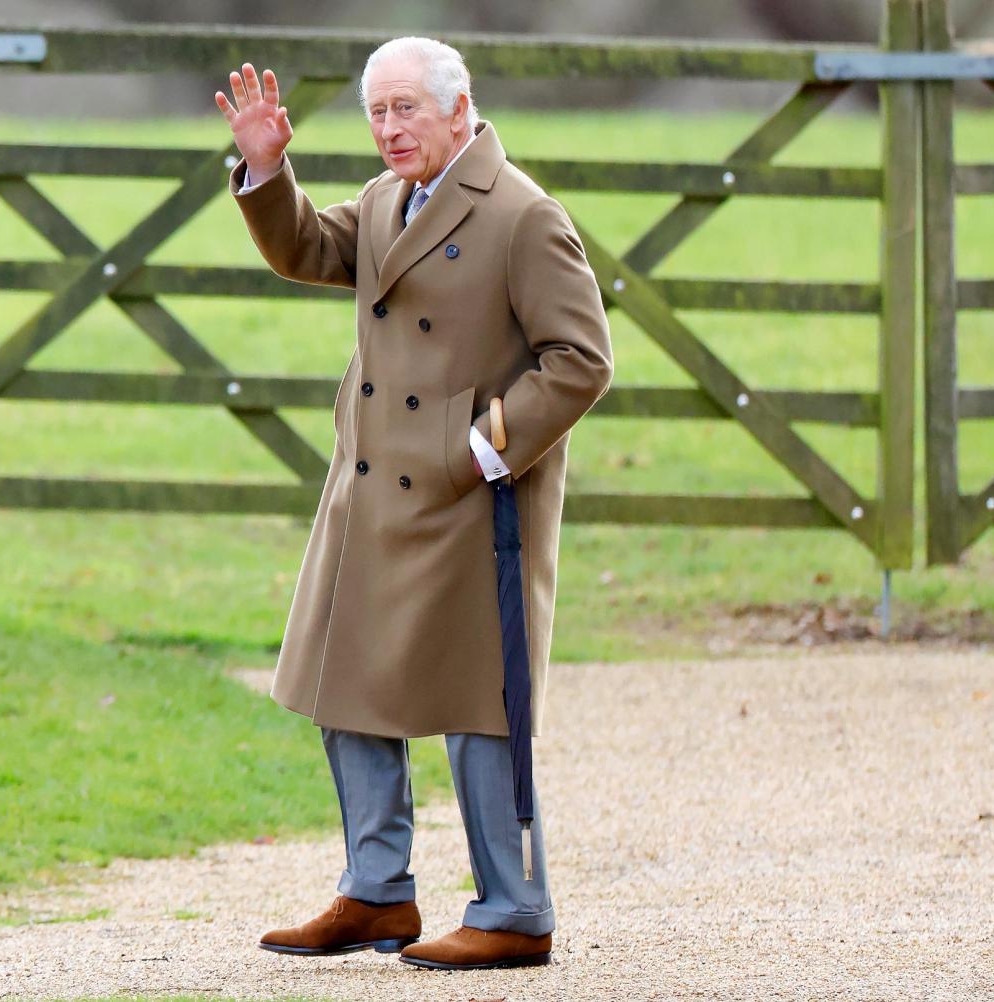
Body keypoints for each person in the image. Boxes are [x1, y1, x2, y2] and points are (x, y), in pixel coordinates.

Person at [214, 36, 613, 971]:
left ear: (459, 106)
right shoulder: (390, 199)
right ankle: (376, 893)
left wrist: (481, 447)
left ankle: (514, 911)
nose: (390, 129)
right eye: (377, 112)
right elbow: (307, 248)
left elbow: (582, 360)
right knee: (343, 678)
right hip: (371, 488)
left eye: (406, 109)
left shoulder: (523, 215)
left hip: (473, 497)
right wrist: (268, 172)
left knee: (482, 705)